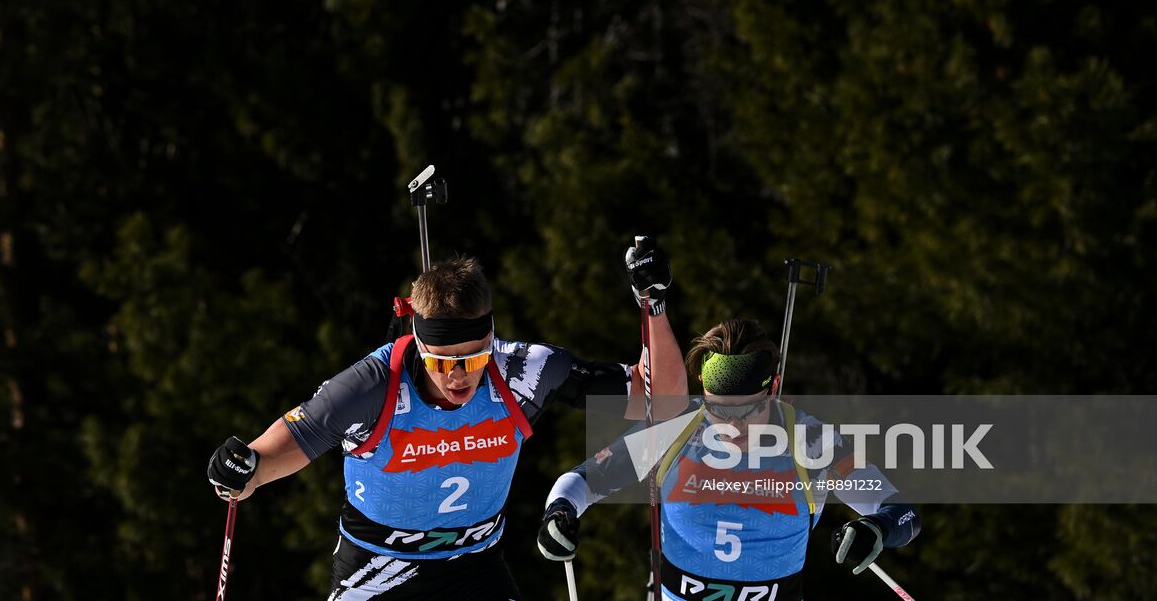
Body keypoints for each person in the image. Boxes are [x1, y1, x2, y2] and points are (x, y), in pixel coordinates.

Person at [207, 239, 687, 600]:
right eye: (441, 362)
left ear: (491, 338)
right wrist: (247, 468)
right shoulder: (373, 385)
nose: (458, 377)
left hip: (474, 566)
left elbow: (662, 400)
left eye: (474, 359)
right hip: (377, 569)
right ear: (417, 344)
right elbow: (298, 435)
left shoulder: (524, 372)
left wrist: (655, 306)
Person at [537, 318, 921, 601]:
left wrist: (878, 528)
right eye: (718, 411)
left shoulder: (811, 441)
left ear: (772, 390)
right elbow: (587, 480)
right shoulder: (677, 427)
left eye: (749, 410)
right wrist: (559, 513)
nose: (732, 426)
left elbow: (901, 511)